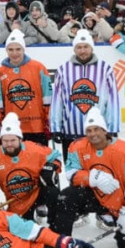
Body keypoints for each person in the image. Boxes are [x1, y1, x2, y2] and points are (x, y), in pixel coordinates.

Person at [53, 106, 125, 248]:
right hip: (94, 197)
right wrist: (92, 177)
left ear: (105, 131)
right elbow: (71, 174)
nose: (92, 134)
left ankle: (116, 222)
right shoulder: (77, 147)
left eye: (96, 129)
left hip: (120, 204)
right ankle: (60, 242)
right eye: (89, 130)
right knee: (65, 197)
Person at [50, 29, 120, 159]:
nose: (82, 51)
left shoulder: (105, 69)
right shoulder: (63, 70)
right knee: (73, 173)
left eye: (86, 47)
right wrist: (55, 127)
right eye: (79, 47)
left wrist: (113, 127)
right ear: (74, 49)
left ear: (92, 48)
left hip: (98, 134)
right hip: (70, 132)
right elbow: (57, 101)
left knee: (98, 172)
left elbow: (112, 100)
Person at [0, 112, 62, 225]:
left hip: (36, 192)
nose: (9, 144)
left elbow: (57, 156)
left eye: (13, 140)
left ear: (20, 139)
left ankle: (56, 229)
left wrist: (51, 167)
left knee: (53, 193)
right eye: (5, 141)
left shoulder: (33, 149)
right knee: (23, 231)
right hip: (16, 201)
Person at [0, 29, 53, 145]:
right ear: (6, 50)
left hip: (37, 127)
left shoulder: (38, 68)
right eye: (10, 49)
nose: (14, 53)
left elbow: (48, 98)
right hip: (12, 129)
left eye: (18, 49)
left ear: (23, 49)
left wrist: (49, 120)